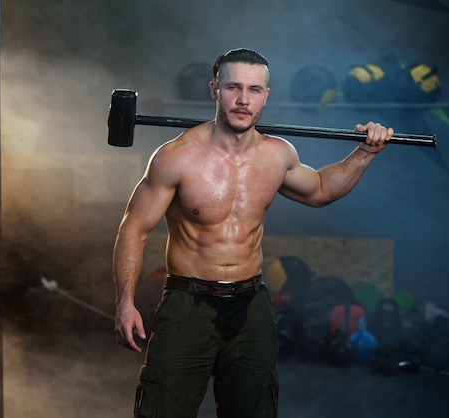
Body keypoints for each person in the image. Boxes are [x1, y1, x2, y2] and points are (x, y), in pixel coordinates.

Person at [112, 48, 393, 418]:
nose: (243, 100)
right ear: (215, 90)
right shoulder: (176, 157)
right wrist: (125, 301)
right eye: (234, 87)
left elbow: (322, 189)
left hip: (251, 305)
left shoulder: (277, 155)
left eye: (254, 89)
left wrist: (364, 153)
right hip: (188, 303)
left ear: (266, 95)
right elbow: (134, 227)